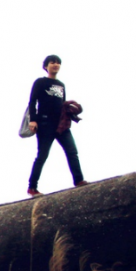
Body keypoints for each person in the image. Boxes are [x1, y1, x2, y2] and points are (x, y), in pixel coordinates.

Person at [27, 55, 87, 196]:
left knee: (72, 152)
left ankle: (79, 180)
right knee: (42, 155)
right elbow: (32, 101)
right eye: (52, 62)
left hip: (61, 125)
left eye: (58, 63)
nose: (56, 65)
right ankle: (32, 187)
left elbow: (62, 104)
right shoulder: (40, 82)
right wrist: (33, 120)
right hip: (45, 123)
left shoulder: (61, 85)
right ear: (46, 66)